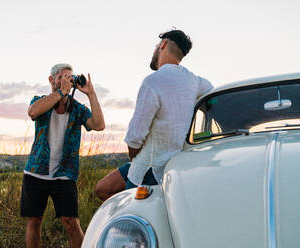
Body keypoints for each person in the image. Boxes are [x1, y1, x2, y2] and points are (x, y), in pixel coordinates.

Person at [95, 29, 213, 201]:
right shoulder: (195, 82)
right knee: (102, 188)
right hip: (162, 163)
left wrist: (135, 157)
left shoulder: (152, 82)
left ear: (163, 44)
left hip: (149, 170)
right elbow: (211, 92)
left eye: (157, 45)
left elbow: (135, 138)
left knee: (129, 210)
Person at [21, 63, 105, 248]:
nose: (66, 81)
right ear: (51, 80)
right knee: (34, 222)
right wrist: (60, 93)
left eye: (70, 77)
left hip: (65, 174)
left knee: (71, 222)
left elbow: (99, 125)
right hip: (36, 172)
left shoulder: (77, 109)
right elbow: (33, 112)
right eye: (61, 77)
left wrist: (91, 93)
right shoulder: (39, 100)